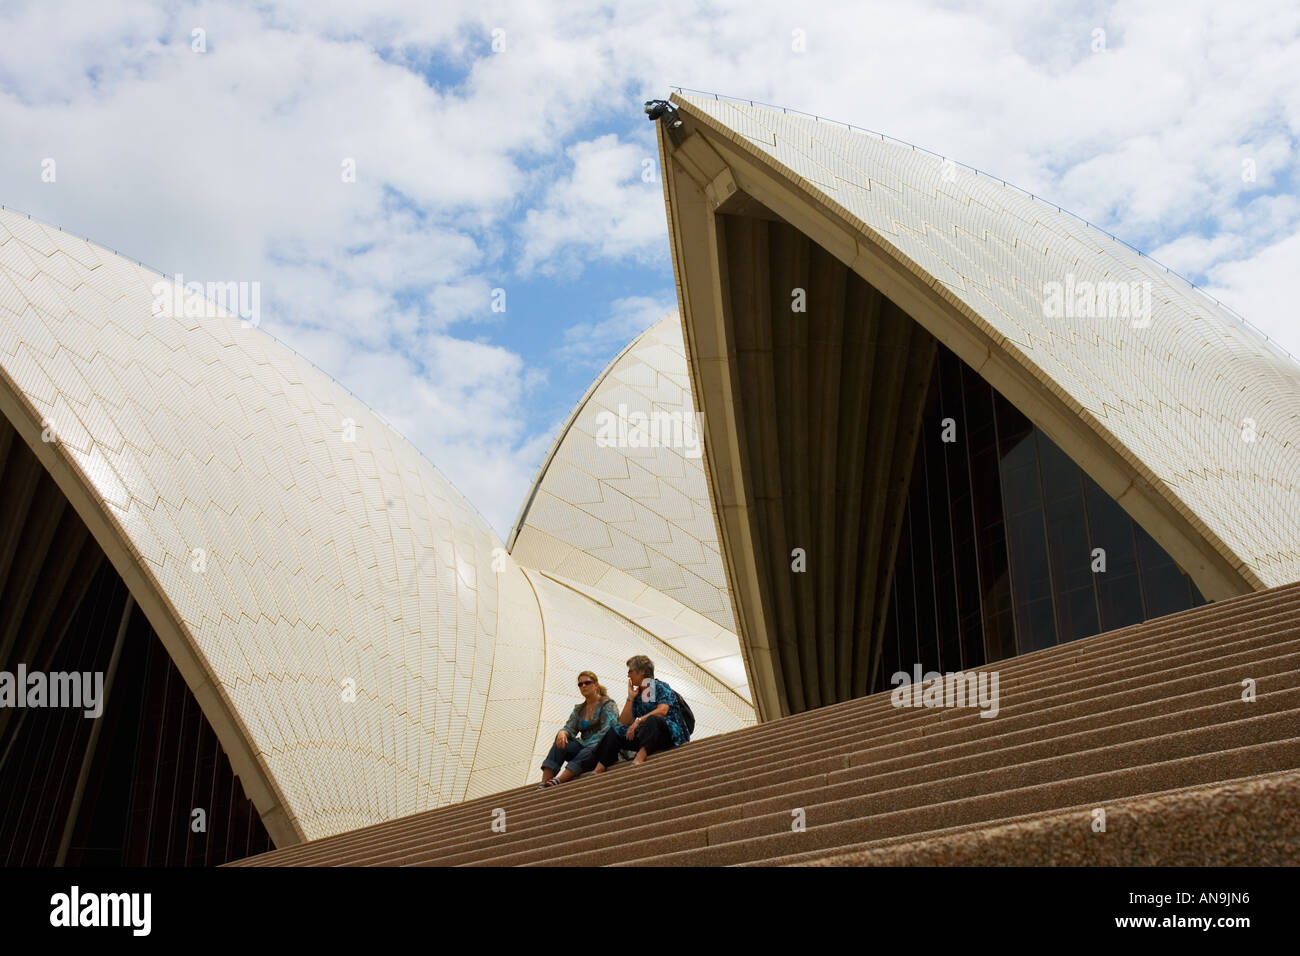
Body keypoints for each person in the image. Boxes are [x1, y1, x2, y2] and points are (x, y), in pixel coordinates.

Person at [592, 655, 690, 773]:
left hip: (669, 734)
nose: (628, 675)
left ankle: (640, 757)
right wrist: (630, 698)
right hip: (646, 735)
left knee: (653, 720)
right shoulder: (639, 694)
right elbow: (623, 722)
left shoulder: (656, 686)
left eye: (631, 671)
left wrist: (638, 720)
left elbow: (662, 711)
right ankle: (600, 766)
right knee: (615, 730)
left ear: (642, 672)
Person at [537, 671, 618, 789]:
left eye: (587, 683)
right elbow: (570, 727)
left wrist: (587, 744)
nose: (583, 686)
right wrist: (562, 733)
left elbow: (608, 730)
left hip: (601, 748)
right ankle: (544, 782)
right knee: (561, 744)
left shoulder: (607, 704)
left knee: (591, 748)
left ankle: (559, 779)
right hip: (584, 747)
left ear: (596, 685)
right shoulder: (579, 709)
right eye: (580, 684)